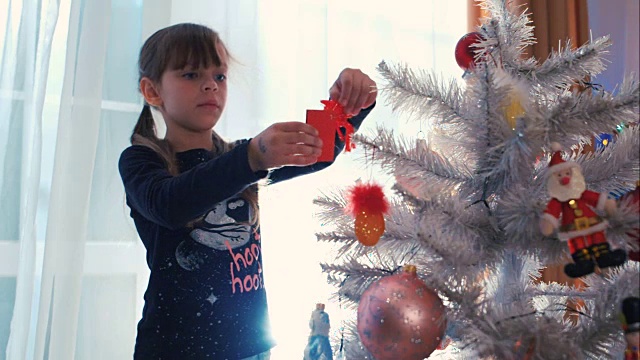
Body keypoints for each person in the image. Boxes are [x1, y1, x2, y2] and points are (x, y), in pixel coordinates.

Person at [118, 23, 376, 360]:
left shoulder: (239, 157)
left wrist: (351, 104)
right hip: (175, 349)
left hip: (250, 347)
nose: (210, 84)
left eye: (219, 76)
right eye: (191, 75)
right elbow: (170, 204)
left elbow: (319, 152)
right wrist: (252, 158)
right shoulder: (142, 159)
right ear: (152, 91)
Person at [539, 142, 626, 278]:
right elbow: (552, 213)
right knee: (577, 244)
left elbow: (596, 199)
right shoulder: (557, 200)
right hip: (572, 228)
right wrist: (548, 223)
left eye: (567, 173)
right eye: (559, 176)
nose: (565, 178)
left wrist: (608, 205)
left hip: (592, 222)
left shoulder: (581, 193)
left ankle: (604, 256)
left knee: (598, 238)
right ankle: (583, 263)